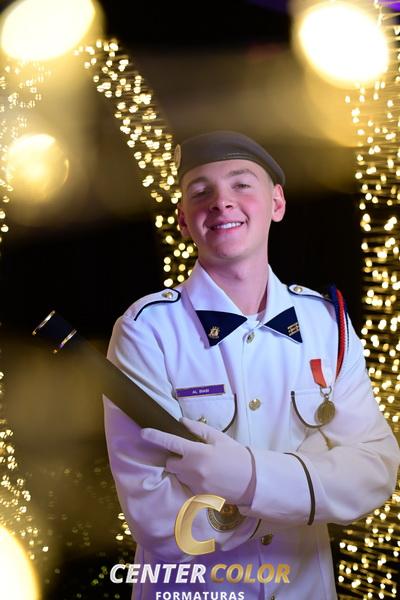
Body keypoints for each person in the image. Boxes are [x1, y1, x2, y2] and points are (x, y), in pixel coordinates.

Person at [104, 131, 400, 600]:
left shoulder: (326, 323)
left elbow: (374, 471)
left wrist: (248, 479)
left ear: (277, 203)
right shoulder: (146, 331)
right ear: (183, 220)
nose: (221, 201)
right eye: (200, 191)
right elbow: (158, 519)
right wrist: (310, 484)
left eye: (241, 184)